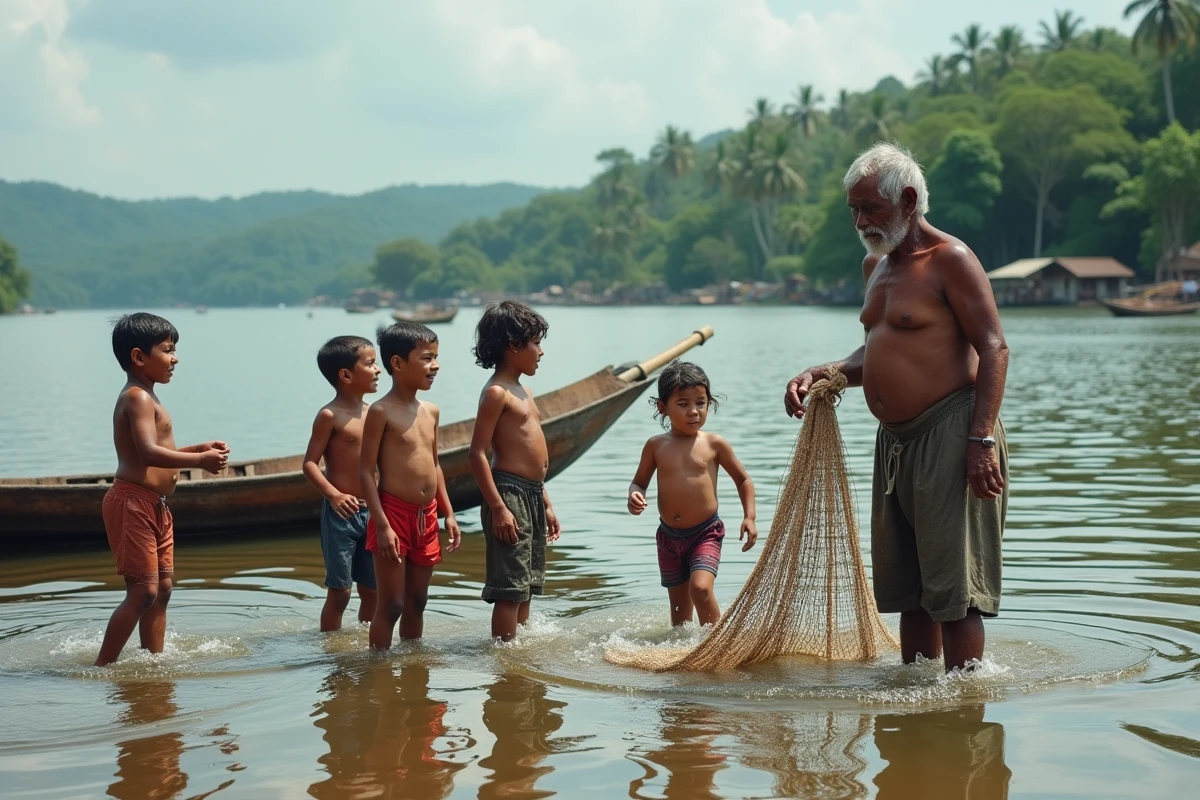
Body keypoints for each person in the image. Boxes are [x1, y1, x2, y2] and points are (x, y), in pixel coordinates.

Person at [783, 143, 1009, 672]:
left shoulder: (950, 260)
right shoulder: (876, 265)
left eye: (871, 209)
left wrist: (979, 442)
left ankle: (962, 706)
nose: (861, 220)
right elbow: (880, 348)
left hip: (953, 434)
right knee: (908, 593)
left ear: (908, 200)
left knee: (955, 595)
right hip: (896, 444)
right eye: (854, 210)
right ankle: (916, 704)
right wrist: (826, 371)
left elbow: (994, 347)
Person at [95, 313, 229, 666]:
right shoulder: (137, 397)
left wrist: (196, 450)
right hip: (133, 503)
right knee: (143, 592)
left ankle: (152, 662)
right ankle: (103, 667)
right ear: (139, 357)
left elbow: (154, 456)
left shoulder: (149, 396)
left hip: (155, 503)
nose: (175, 359)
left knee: (162, 590)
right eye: (168, 351)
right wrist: (199, 463)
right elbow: (147, 453)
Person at [627, 361, 756, 626]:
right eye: (683, 404)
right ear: (663, 407)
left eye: (701, 403)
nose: (694, 412)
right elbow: (639, 482)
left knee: (700, 589)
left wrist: (749, 517)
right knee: (679, 613)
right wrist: (634, 496)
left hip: (704, 533)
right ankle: (684, 659)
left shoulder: (714, 444)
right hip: (668, 538)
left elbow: (743, 479)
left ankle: (715, 645)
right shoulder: (655, 446)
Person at [359, 321, 462, 649]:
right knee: (392, 605)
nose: (435, 366)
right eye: (427, 358)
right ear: (398, 364)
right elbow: (365, 473)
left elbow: (434, 465)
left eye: (436, 358)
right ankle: (378, 672)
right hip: (393, 515)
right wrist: (382, 524)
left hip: (427, 516)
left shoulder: (430, 411)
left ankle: (413, 671)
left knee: (418, 601)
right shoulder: (380, 411)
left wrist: (448, 513)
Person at [468, 301, 561, 642]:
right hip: (508, 495)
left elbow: (534, 457)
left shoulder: (524, 391)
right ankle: (503, 662)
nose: (541, 352)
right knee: (509, 588)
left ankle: (519, 657)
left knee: (526, 586)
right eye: (535, 343)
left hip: (532, 493)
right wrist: (498, 507)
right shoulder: (496, 393)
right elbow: (476, 454)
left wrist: (546, 502)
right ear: (513, 346)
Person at [302, 335, 381, 632]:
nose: (378, 370)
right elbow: (310, 464)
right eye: (370, 364)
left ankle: (365, 641)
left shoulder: (376, 413)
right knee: (341, 591)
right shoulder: (330, 415)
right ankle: (330, 649)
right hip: (341, 515)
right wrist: (334, 496)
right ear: (346, 375)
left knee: (372, 590)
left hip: (373, 512)